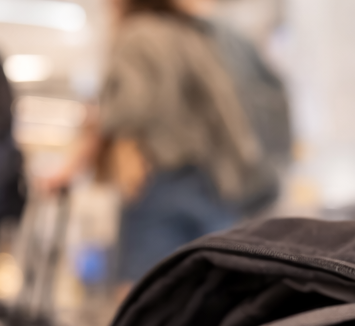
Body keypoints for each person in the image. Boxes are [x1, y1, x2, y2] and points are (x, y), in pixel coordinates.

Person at [44, 0, 261, 291]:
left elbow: (125, 110)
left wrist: (73, 166)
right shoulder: (194, 37)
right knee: (209, 290)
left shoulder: (138, 35)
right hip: (213, 185)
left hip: (160, 181)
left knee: (144, 292)